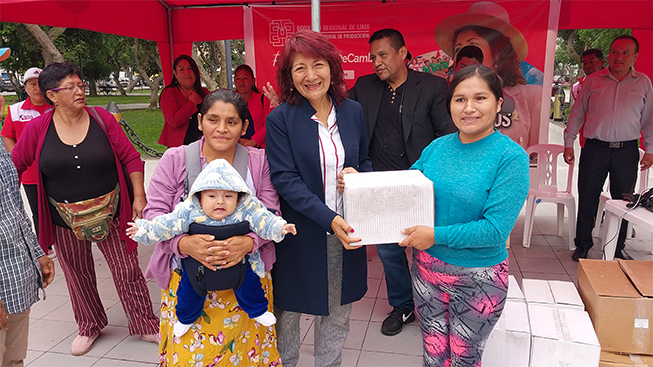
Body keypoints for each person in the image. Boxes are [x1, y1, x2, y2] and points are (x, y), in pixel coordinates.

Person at [11, 62, 160, 356]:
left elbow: (131, 157)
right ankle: (89, 325)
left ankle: (146, 322)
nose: (81, 91)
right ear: (52, 95)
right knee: (77, 273)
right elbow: (15, 164)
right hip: (64, 218)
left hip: (113, 211)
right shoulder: (38, 129)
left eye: (80, 85)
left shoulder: (102, 118)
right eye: (72, 87)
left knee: (126, 269)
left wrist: (139, 196)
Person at [399, 64, 529, 367]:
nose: (469, 108)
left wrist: (434, 236)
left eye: (480, 98)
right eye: (459, 100)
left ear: (498, 103)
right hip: (427, 272)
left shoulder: (510, 158)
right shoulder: (437, 148)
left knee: (462, 360)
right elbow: (403, 189)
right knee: (433, 356)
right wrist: (357, 182)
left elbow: (494, 231)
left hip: (477, 280)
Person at [144, 89, 283, 366]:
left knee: (247, 356)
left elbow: (271, 213)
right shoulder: (175, 160)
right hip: (188, 277)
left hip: (246, 284)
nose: (221, 129)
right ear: (199, 122)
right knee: (188, 357)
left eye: (232, 122)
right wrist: (184, 244)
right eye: (213, 119)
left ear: (244, 126)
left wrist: (250, 243)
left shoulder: (257, 162)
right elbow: (154, 214)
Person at [265, 30, 372, 367]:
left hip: (348, 231)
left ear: (332, 67)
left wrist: (360, 175)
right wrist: (329, 219)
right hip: (302, 234)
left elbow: (365, 160)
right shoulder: (280, 119)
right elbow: (286, 180)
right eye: (299, 68)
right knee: (288, 316)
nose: (311, 76)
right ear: (288, 76)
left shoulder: (352, 111)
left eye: (318, 65)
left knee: (338, 313)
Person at [348, 28, 456, 337]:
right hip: (380, 186)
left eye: (383, 55)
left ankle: (436, 305)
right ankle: (403, 305)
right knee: (389, 252)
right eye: (372, 57)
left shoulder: (433, 87)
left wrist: (431, 179)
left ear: (403, 53)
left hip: (421, 185)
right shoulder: (364, 86)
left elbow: (446, 137)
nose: (376, 62)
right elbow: (336, 110)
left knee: (427, 250)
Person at [129, 158, 296, 336]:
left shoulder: (244, 210)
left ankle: (258, 311)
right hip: (197, 269)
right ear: (200, 197)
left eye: (228, 196)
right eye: (212, 196)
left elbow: (265, 219)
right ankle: (185, 318)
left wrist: (280, 227)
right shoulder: (189, 211)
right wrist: (143, 229)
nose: (220, 202)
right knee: (188, 292)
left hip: (238, 267)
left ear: (239, 197)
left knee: (250, 285)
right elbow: (165, 224)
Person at [564, 35, 653, 261]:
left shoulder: (643, 82)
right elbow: (577, 114)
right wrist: (568, 143)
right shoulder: (593, 81)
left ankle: (617, 246)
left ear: (635, 56)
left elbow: (649, 119)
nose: (619, 57)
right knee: (588, 196)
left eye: (625, 53)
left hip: (626, 151)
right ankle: (583, 244)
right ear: (609, 55)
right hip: (595, 149)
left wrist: (650, 149)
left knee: (623, 201)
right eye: (615, 52)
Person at [435, 1, 543, 150]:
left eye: (473, 46)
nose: (465, 54)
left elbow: (535, 155)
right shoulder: (443, 92)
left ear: (498, 52)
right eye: (458, 49)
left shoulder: (532, 97)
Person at [0, 138, 55, 367]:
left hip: (15, 278)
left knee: (14, 359)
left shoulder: (1, 146)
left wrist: (37, 253)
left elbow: (15, 208)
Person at [1, 67, 49, 240]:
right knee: (38, 211)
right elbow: (7, 136)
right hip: (30, 173)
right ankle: (45, 244)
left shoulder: (56, 108)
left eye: (40, 84)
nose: (37, 88)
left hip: (56, 169)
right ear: (25, 87)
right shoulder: (15, 110)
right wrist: (19, 158)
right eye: (32, 84)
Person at [159, 55, 209, 148]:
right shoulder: (169, 93)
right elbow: (174, 121)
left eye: (190, 68)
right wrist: (192, 103)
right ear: (175, 73)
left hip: (204, 146)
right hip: (179, 147)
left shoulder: (204, 92)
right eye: (181, 69)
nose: (187, 73)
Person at [234, 64, 277, 149]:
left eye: (245, 78)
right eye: (238, 78)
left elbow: (270, 123)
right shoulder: (231, 102)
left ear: (253, 81)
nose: (241, 82)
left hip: (259, 149)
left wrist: (253, 141)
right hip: (236, 148)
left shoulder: (263, 99)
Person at [571, 49, 605, 148]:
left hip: (609, 140)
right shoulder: (576, 87)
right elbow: (577, 115)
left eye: (592, 61)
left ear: (602, 62)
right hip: (586, 140)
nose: (588, 66)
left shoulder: (614, 84)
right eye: (585, 63)